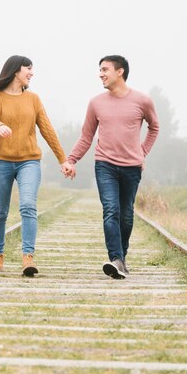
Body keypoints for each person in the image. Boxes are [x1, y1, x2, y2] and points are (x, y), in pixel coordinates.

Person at [67, 55, 159, 279]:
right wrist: (71, 160)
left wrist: (142, 152)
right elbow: (86, 137)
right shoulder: (96, 102)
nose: (100, 74)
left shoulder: (142, 100)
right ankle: (115, 258)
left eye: (104, 69)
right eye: (100, 70)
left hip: (132, 167)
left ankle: (121, 259)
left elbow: (154, 127)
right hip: (105, 164)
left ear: (120, 72)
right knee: (111, 210)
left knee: (126, 215)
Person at [0, 55, 73, 276]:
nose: (31, 73)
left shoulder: (33, 99)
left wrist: (63, 159)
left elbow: (47, 130)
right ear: (16, 70)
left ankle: (28, 258)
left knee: (28, 206)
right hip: (0, 162)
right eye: (28, 69)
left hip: (29, 161)